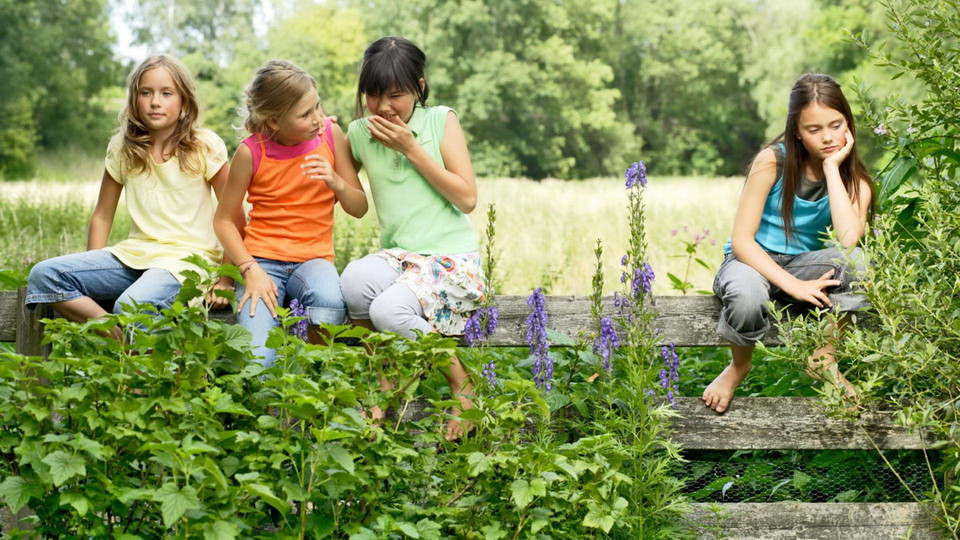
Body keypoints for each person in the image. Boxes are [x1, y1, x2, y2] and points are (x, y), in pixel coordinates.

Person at [26, 55, 243, 337]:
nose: (155, 101)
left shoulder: (204, 145)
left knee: (131, 304)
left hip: (186, 262)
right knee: (44, 276)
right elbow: (102, 216)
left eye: (167, 94)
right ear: (134, 99)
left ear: (184, 102)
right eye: (146, 92)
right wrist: (95, 269)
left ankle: (134, 371)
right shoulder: (122, 147)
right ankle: (123, 347)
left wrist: (225, 280)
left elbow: (234, 216)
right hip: (133, 255)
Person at [703, 73, 874, 414]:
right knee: (747, 295)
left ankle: (824, 357)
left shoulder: (855, 182)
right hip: (751, 262)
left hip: (806, 263)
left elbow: (848, 240)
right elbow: (741, 241)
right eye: (814, 130)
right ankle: (739, 366)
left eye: (835, 125)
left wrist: (831, 169)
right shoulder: (772, 162)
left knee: (859, 262)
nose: (827, 137)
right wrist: (792, 285)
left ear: (848, 124)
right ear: (797, 130)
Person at [341, 36, 485, 440]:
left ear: (419, 88)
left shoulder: (441, 120)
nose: (384, 106)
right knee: (351, 282)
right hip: (398, 259)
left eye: (396, 95)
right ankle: (385, 379)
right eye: (372, 94)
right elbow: (352, 199)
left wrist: (411, 149)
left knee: (388, 312)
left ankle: (462, 383)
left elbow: (467, 198)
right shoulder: (358, 132)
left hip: (450, 261)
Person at [213, 60, 367, 367]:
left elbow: (359, 207)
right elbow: (224, 220)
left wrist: (336, 182)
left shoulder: (329, 135)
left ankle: (311, 377)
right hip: (262, 263)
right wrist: (248, 270)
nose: (317, 118)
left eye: (318, 107)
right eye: (305, 114)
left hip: (314, 261)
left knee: (328, 303)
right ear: (273, 122)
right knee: (257, 362)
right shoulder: (250, 152)